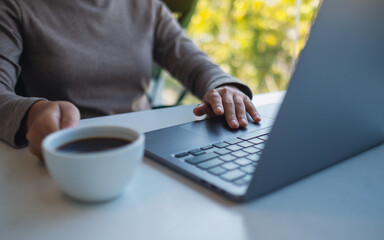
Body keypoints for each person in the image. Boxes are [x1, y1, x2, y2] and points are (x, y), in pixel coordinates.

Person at [0, 0, 261, 161]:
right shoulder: (15, 6)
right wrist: (30, 113)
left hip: (147, 152)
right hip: (70, 156)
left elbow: (195, 65)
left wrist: (225, 88)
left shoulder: (147, 6)